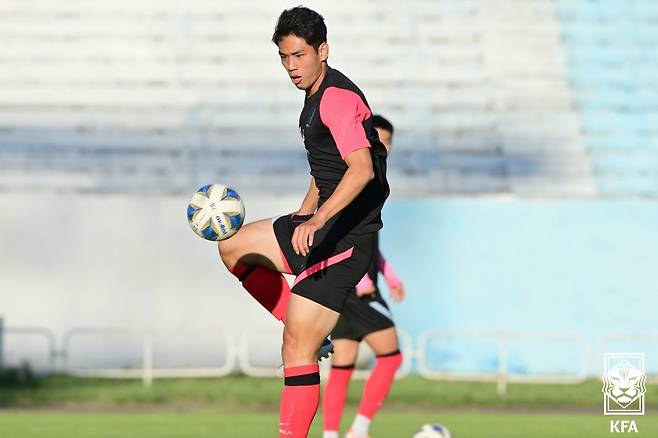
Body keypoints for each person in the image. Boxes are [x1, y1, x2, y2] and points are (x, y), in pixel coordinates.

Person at [216, 7, 389, 437]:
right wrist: (304, 211)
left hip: (345, 239)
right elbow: (325, 168)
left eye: (299, 55)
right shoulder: (314, 97)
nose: (291, 66)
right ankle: (308, 330)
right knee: (233, 247)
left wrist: (320, 216)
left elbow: (361, 168)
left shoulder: (337, 97)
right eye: (283, 57)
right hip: (321, 225)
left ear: (322, 50)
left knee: (296, 348)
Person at [322, 115, 405, 438]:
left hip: (345, 288)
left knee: (343, 363)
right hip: (356, 288)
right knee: (392, 357)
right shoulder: (359, 178)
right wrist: (361, 280)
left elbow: (370, 242)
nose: (382, 146)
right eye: (377, 139)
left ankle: (331, 434)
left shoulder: (374, 180)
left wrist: (389, 274)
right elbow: (339, 232)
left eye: (387, 141)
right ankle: (360, 428)